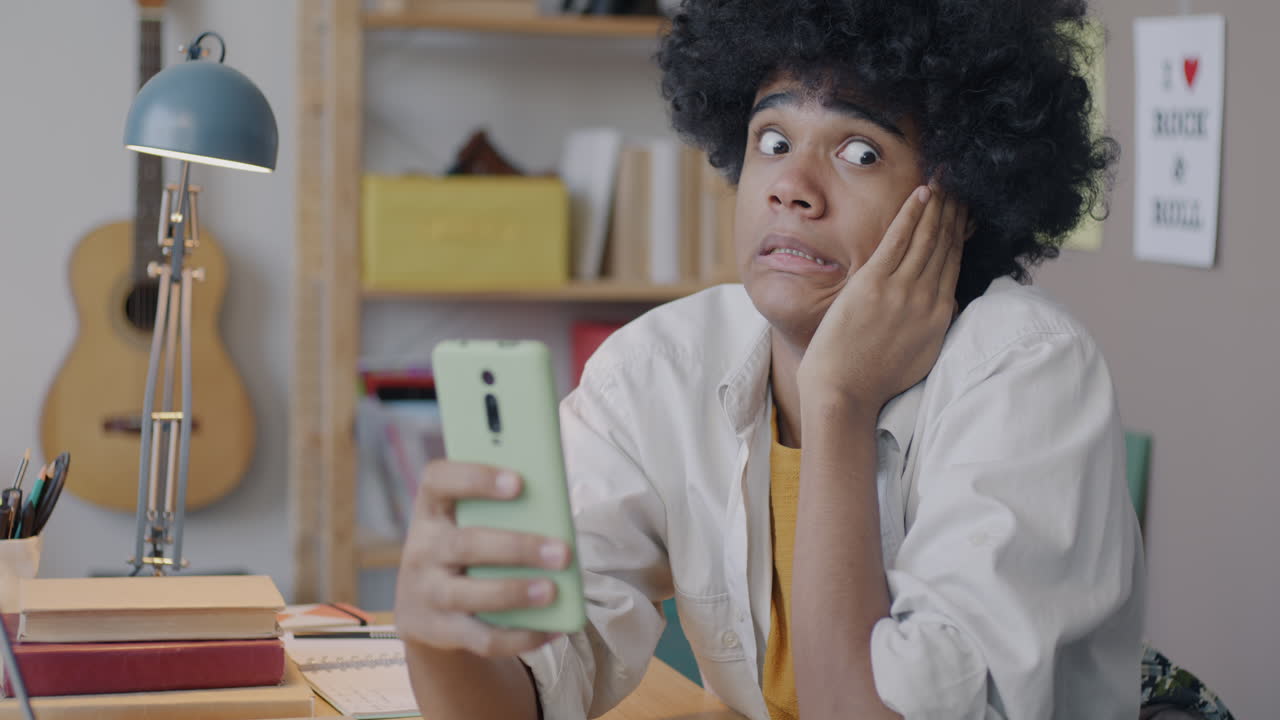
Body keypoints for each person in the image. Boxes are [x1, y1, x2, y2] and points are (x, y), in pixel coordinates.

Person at [394, 0, 1146, 718]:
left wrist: (837, 402)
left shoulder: (1029, 372)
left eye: (860, 152)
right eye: (773, 141)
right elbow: (532, 691)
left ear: (959, 200)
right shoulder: (661, 366)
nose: (792, 187)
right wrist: (435, 632)